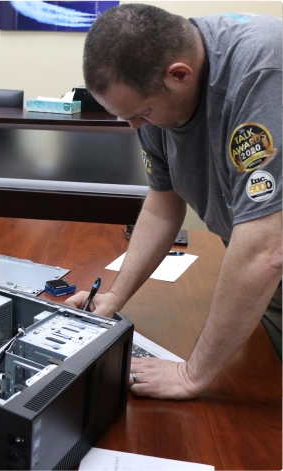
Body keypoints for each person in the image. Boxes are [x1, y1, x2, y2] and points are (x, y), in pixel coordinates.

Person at [67, 4, 281, 400]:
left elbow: (266, 251)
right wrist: (114, 296)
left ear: (179, 75)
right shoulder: (155, 91)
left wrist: (191, 375)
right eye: (125, 117)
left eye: (142, 113)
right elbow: (162, 205)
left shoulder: (263, 73)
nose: (136, 127)